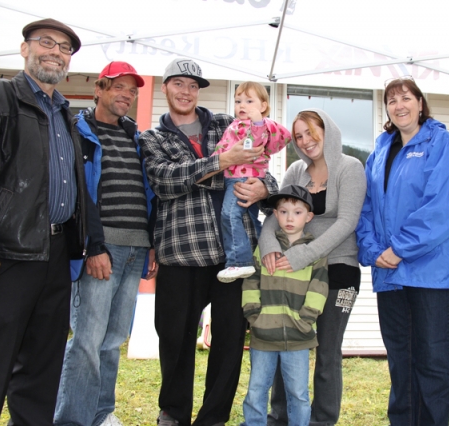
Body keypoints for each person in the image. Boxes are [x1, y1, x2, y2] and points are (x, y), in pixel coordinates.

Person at [139, 58, 278, 426]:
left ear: (199, 90)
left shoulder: (229, 123)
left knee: (230, 340)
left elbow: (262, 161)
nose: (186, 91)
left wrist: (266, 187)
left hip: (233, 256)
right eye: (178, 84)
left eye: (192, 85)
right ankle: (174, 411)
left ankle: (214, 416)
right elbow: (165, 182)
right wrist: (221, 161)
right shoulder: (152, 139)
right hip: (180, 252)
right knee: (174, 337)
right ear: (166, 87)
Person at [0, 18, 87, 426]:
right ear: (24, 49)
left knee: (42, 365)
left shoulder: (64, 113)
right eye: (46, 43)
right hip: (4, 256)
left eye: (65, 48)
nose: (56, 52)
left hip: (54, 255)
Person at [355, 78, 449, 425]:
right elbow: (366, 207)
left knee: (431, 362)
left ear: (420, 103)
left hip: (430, 273)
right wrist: (374, 251)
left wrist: (399, 248)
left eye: (406, 98)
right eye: (391, 100)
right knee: (400, 363)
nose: (399, 105)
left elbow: (444, 207)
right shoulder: (379, 151)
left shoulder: (440, 143)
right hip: (389, 273)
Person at [54, 61, 159, 426]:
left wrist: (151, 243)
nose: (126, 96)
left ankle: (101, 414)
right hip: (103, 249)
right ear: (98, 89)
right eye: (118, 87)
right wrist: (93, 247)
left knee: (114, 340)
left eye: (132, 91)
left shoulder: (137, 137)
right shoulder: (77, 132)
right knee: (86, 340)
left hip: (135, 249)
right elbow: (81, 196)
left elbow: (148, 194)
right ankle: (71, 420)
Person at [259, 109, 366, 426]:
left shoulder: (350, 167)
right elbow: (274, 216)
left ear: (327, 130)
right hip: (296, 273)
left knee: (328, 348)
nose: (305, 141)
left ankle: (323, 419)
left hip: (341, 274)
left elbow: (347, 223)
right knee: (285, 342)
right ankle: (280, 416)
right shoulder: (295, 171)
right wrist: (270, 249)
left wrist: (300, 256)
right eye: (299, 136)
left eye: (311, 132)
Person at [242, 185, 328, 426]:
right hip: (263, 335)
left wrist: (305, 320)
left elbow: (319, 287)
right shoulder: (266, 248)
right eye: (283, 211)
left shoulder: (315, 252)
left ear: (309, 216)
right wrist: (253, 315)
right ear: (275, 214)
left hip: (298, 337)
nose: (290, 218)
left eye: (298, 212)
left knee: (299, 394)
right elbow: (251, 280)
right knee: (256, 390)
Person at [214, 81, 292, 283]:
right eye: (238, 101)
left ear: (263, 106)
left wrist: (257, 122)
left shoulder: (258, 125)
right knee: (249, 218)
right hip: (236, 176)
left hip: (242, 178)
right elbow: (222, 148)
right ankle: (261, 251)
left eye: (249, 101)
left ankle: (238, 262)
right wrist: (213, 162)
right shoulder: (235, 125)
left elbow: (256, 142)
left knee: (229, 215)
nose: (242, 105)